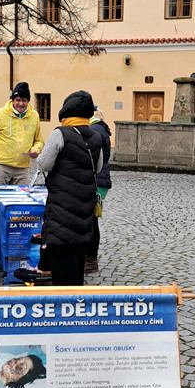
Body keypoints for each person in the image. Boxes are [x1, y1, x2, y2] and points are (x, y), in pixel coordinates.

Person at [36, 90, 102, 285]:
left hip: (62, 204)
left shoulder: (60, 133)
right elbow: (97, 168)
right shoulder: (96, 136)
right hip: (85, 204)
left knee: (62, 250)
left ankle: (63, 303)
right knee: (78, 248)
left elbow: (43, 164)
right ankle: (77, 295)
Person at [0, 82, 44, 186]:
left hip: (22, 169)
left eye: (24, 100)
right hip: (0, 166)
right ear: (12, 100)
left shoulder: (34, 116)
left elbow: (39, 140)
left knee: (20, 200)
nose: (21, 103)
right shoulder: (0, 113)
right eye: (18, 100)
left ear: (28, 101)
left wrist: (36, 149)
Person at [84, 107, 112, 274]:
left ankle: (90, 259)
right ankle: (90, 258)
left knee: (91, 221)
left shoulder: (93, 130)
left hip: (96, 180)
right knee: (92, 219)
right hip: (101, 180)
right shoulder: (102, 129)